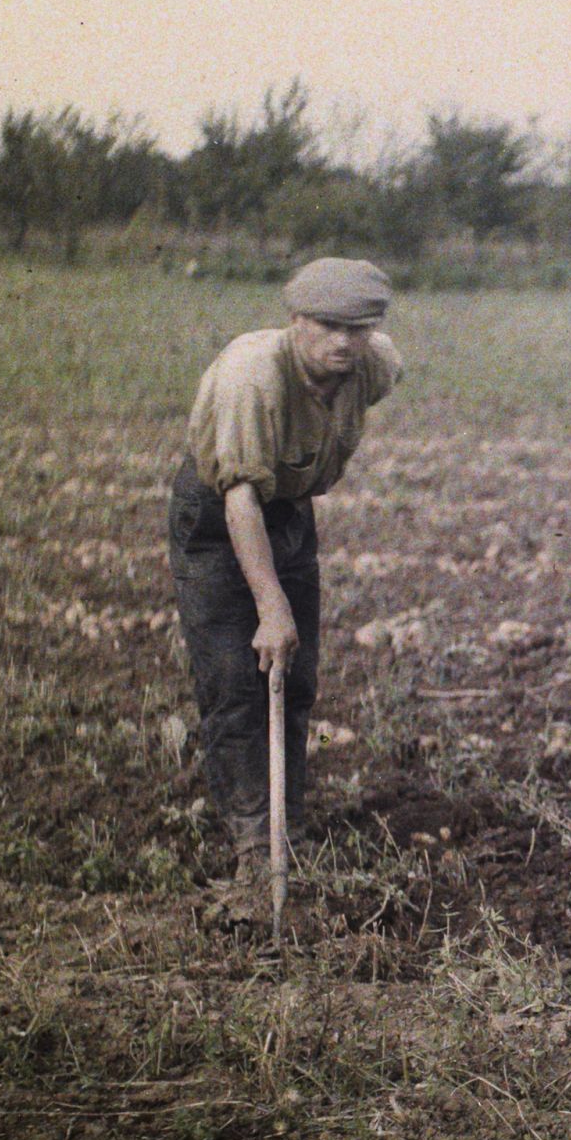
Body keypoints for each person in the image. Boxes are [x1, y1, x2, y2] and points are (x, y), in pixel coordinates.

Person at [169, 257, 404, 928]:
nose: (343, 341)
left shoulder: (371, 361)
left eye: (358, 327)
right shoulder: (254, 376)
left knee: (294, 679)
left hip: (291, 508)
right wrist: (270, 605)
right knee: (237, 681)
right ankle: (253, 848)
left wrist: (285, 608)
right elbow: (241, 496)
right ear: (294, 320)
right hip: (221, 516)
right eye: (328, 325)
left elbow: (384, 364)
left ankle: (287, 826)